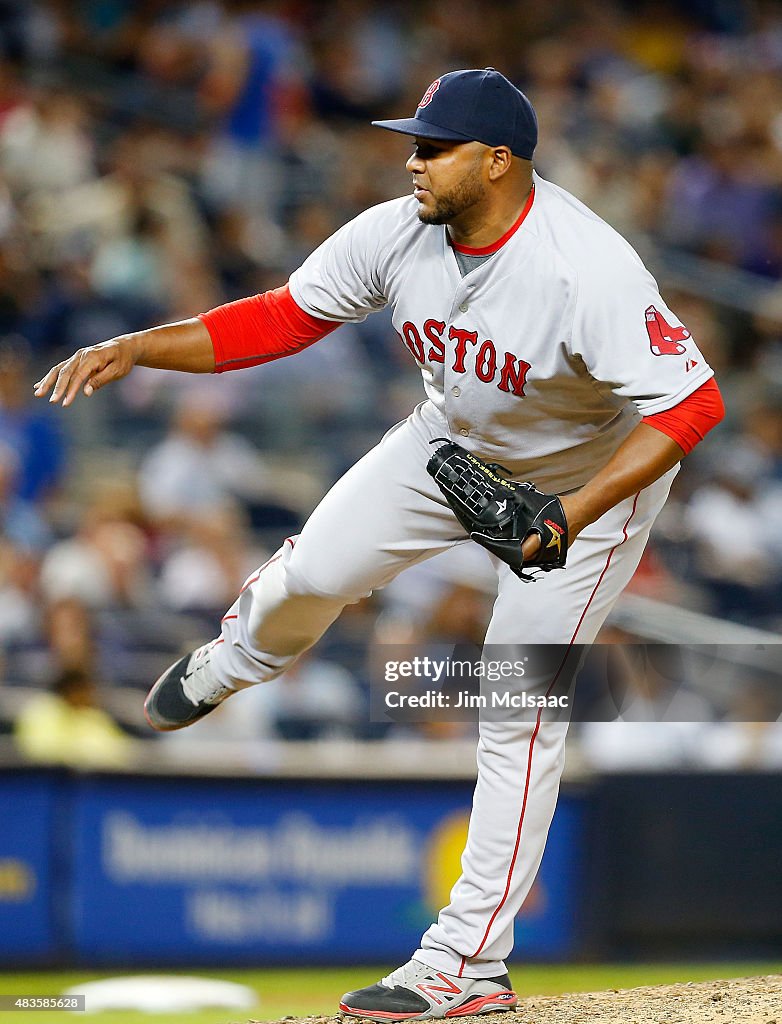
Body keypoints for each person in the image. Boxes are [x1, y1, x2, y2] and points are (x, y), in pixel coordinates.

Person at [34, 69, 724, 1020]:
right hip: (447, 444)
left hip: (589, 484)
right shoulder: (398, 231)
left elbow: (693, 402)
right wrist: (142, 345)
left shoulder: (585, 267)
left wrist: (573, 509)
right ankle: (237, 655)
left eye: (433, 146)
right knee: (312, 571)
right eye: (415, 141)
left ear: (498, 161)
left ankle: (468, 963)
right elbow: (283, 317)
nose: (413, 160)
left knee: (516, 710)